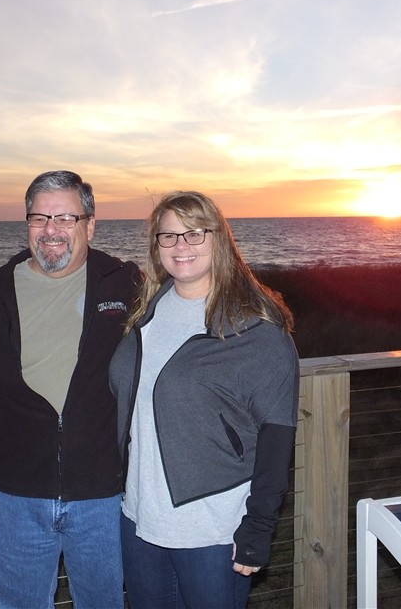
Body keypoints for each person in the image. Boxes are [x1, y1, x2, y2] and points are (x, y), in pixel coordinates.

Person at [0, 170, 139, 609]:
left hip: (104, 495)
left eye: (66, 217)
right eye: (40, 218)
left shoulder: (126, 285)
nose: (51, 229)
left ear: (90, 225)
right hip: (14, 496)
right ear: (27, 223)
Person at [109, 191, 300, 609]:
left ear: (219, 239)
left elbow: (277, 435)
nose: (181, 246)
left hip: (213, 529)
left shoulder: (254, 328)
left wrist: (259, 526)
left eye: (195, 233)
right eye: (169, 235)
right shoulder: (148, 311)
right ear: (156, 245)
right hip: (139, 516)